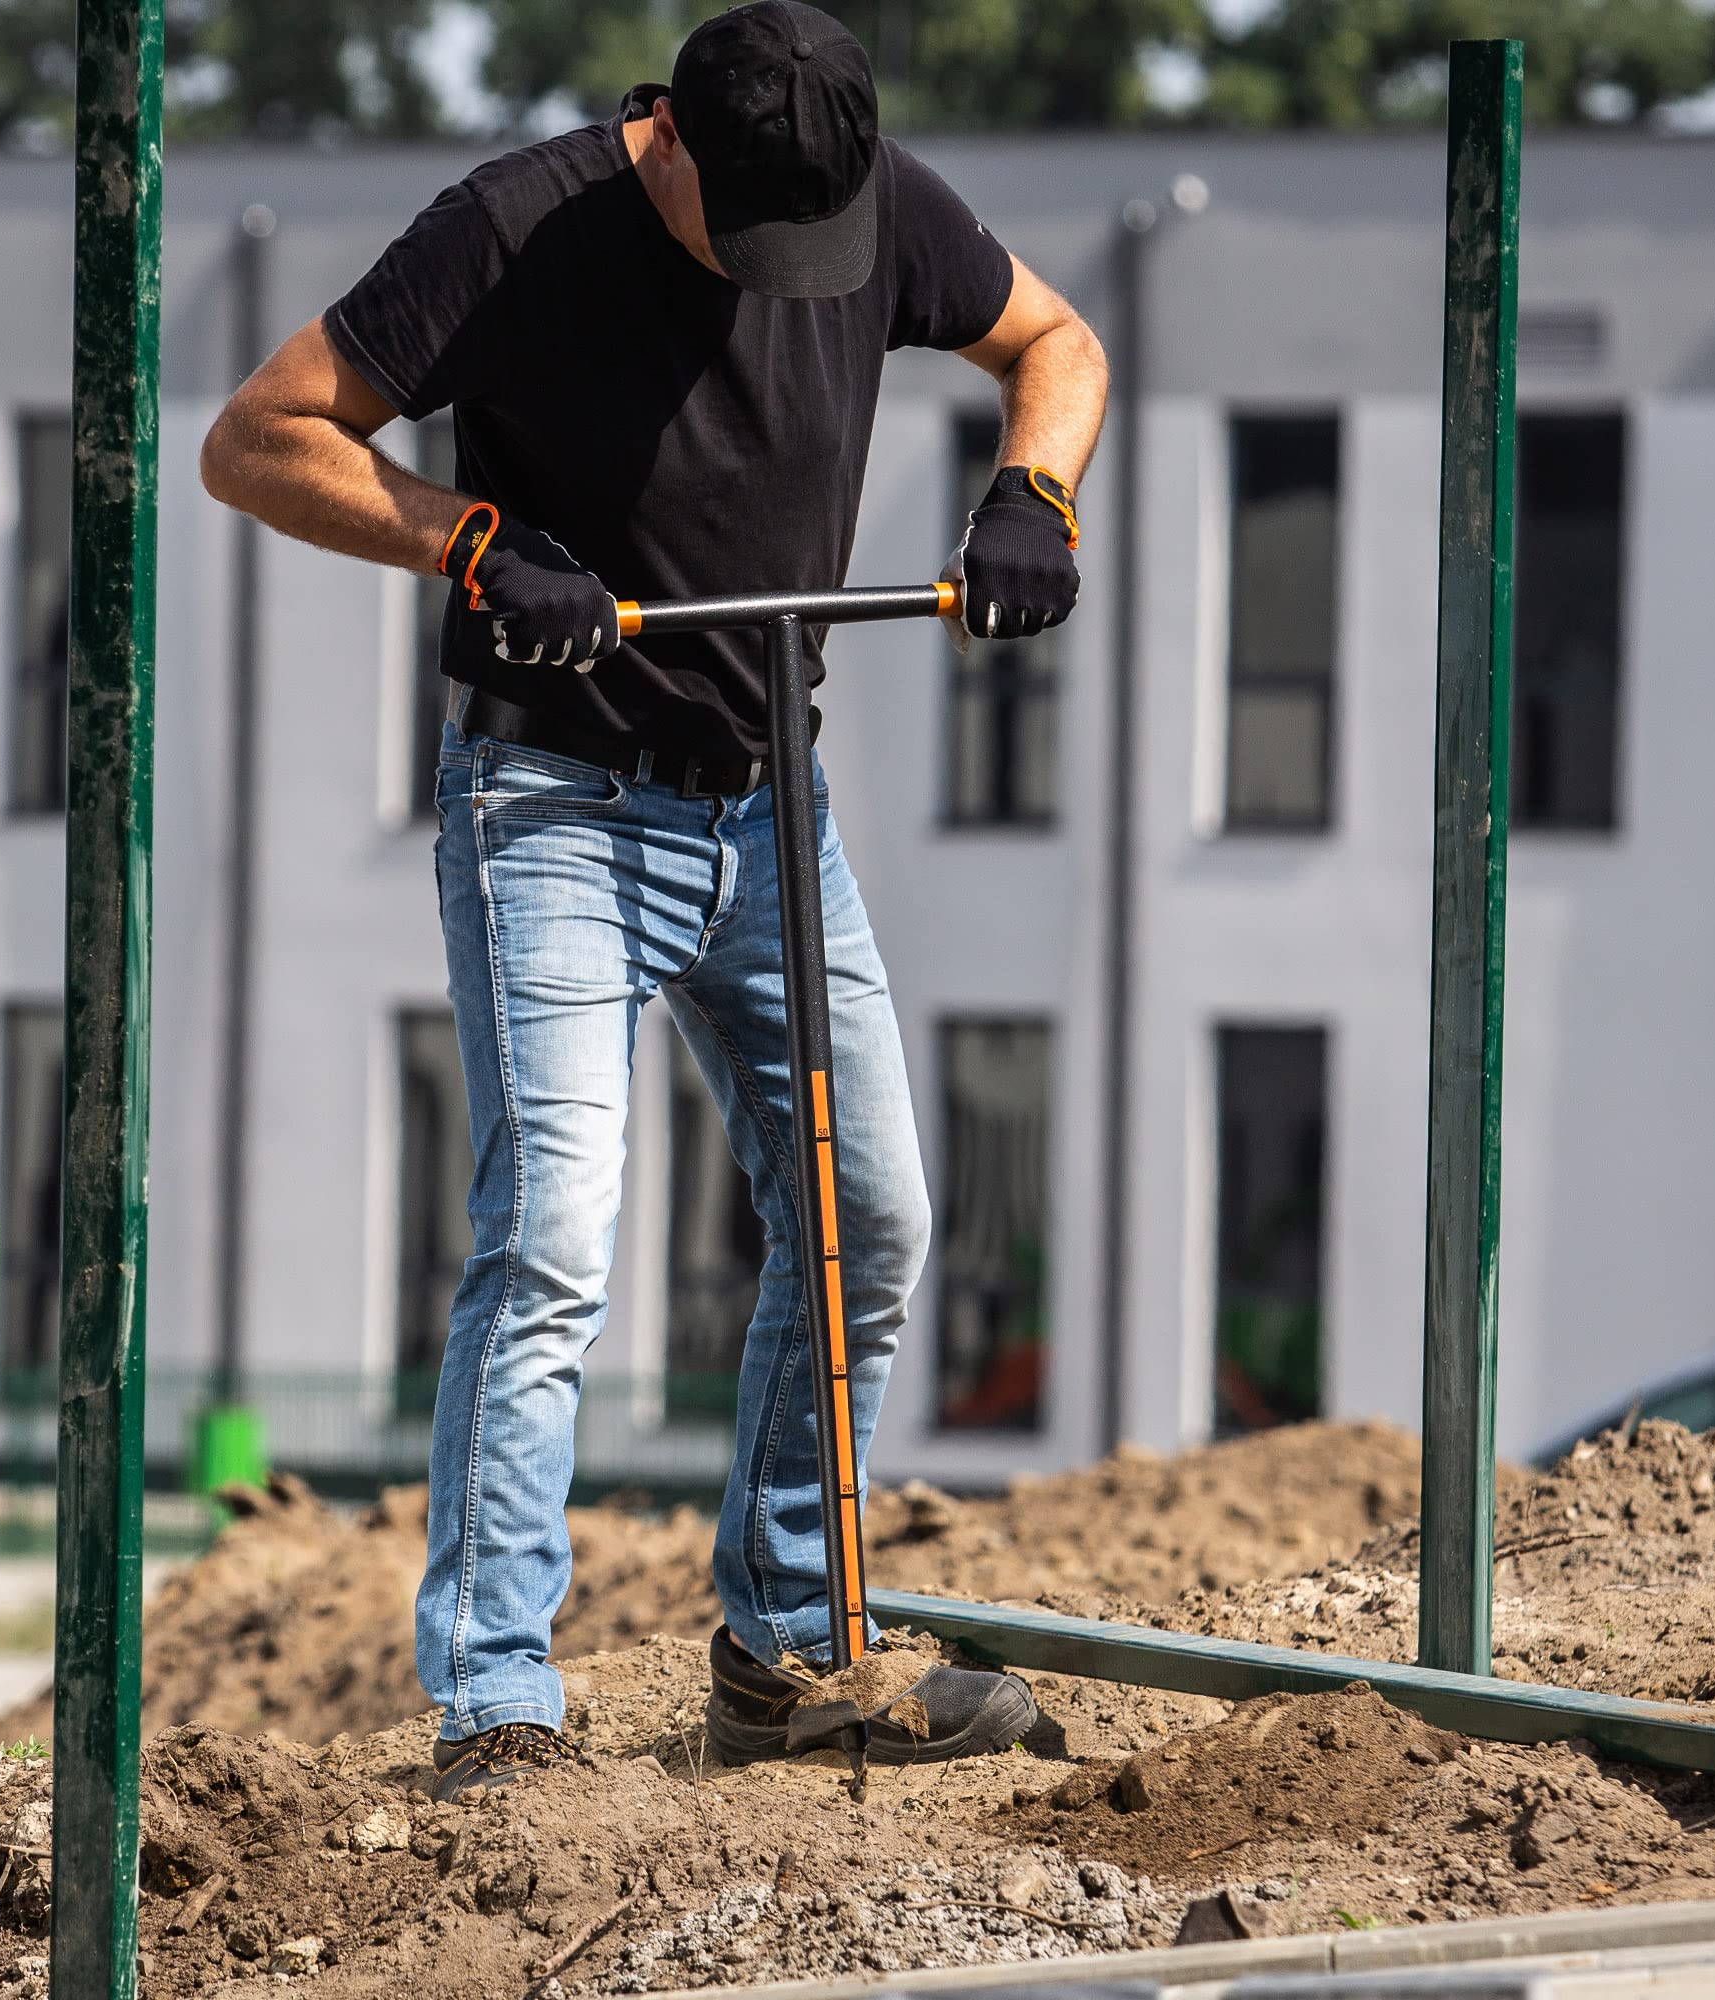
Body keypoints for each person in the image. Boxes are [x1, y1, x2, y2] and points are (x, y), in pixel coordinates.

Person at [200, 0, 1109, 1800]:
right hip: (550, 805)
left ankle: (781, 1659)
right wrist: (469, 540)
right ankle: (494, 1706)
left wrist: (1036, 495)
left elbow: (1057, 341)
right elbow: (259, 437)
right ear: (666, 142)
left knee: (875, 1220)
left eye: (819, 247)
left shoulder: (869, 200)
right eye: (744, 235)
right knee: (554, 1243)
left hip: (774, 807)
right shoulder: (514, 228)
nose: (791, 276)